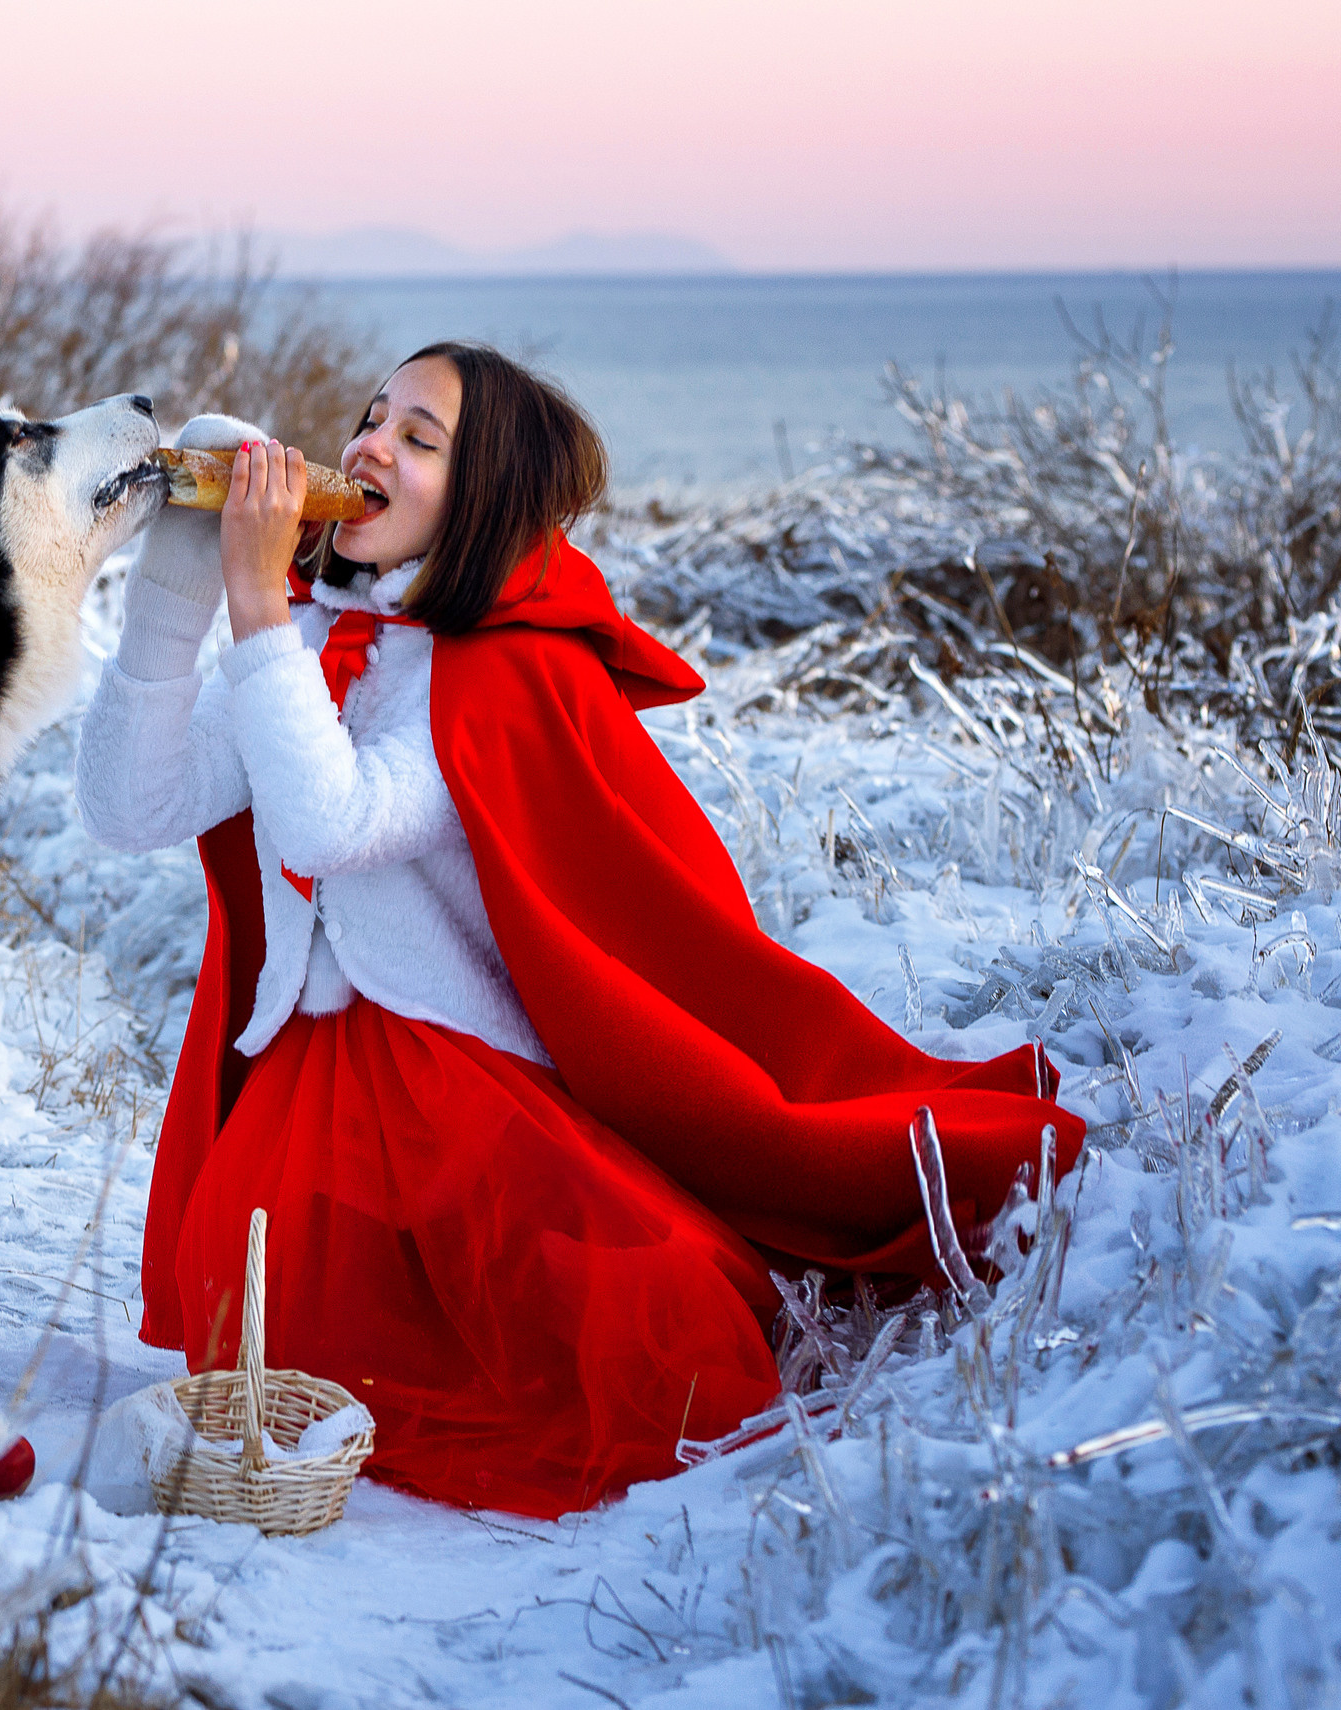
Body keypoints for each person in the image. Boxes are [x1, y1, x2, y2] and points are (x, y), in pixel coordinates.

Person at [75, 342, 1084, 1517]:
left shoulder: (491, 672)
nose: (364, 448)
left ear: (485, 499)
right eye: (369, 419)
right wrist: (181, 583)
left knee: (660, 1340)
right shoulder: (296, 644)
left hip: (458, 1082)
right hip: (306, 1097)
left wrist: (253, 602)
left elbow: (329, 823)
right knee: (287, 1354)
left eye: (417, 438)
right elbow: (128, 808)